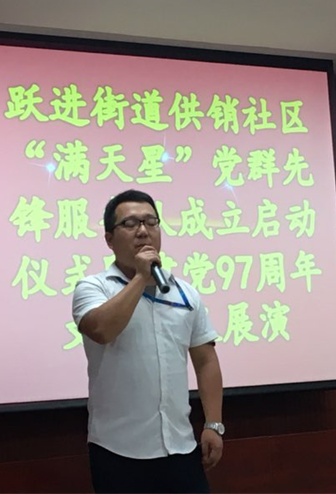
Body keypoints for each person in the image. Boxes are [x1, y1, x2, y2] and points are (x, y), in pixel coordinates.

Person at [72, 189, 224, 494]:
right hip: (118, 451)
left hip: (180, 446)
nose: (143, 230)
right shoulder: (93, 288)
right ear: (109, 239)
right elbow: (102, 330)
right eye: (130, 224)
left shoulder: (185, 293)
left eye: (151, 222)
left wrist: (213, 424)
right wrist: (142, 277)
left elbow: (205, 360)